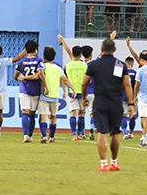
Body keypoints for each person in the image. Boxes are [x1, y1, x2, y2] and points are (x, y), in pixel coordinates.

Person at [82, 37, 134, 172]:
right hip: (115, 103)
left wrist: (83, 97)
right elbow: (127, 84)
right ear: (115, 50)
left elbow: (84, 82)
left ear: (101, 49)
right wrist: (131, 103)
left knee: (102, 133)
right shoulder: (120, 64)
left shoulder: (94, 65)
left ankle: (103, 164)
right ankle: (114, 162)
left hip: (100, 103)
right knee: (114, 134)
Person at [37, 46, 76, 144]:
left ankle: (44, 136)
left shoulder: (43, 65)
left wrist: (46, 87)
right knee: (53, 117)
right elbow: (65, 79)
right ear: (54, 57)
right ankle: (52, 137)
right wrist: (73, 88)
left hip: (44, 95)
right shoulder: (58, 68)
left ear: (44, 57)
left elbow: (41, 73)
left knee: (44, 117)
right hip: (55, 97)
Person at [0, 45, 26, 138]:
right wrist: (26, 49)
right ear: (2, 53)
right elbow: (19, 57)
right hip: (1, 90)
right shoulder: (4, 61)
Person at [15, 40, 46, 143]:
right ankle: (30, 135)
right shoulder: (39, 61)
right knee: (32, 114)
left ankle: (25, 135)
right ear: (35, 51)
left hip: (24, 90)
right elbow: (38, 75)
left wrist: (22, 78)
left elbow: (15, 77)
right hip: (35, 90)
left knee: (25, 112)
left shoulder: (21, 62)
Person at [58, 35, 88, 140]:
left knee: (73, 114)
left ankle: (74, 135)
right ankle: (80, 134)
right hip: (83, 93)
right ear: (81, 55)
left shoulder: (67, 66)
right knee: (82, 114)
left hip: (72, 92)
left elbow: (63, 79)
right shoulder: (85, 66)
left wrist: (65, 90)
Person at [120, 56, 137, 139]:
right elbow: (137, 85)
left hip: (123, 96)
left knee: (123, 115)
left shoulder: (121, 72)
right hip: (133, 97)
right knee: (132, 115)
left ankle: (124, 134)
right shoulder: (135, 73)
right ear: (132, 64)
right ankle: (131, 133)